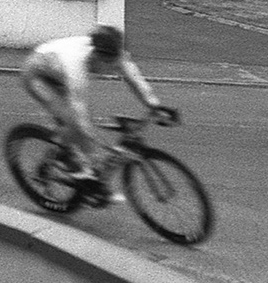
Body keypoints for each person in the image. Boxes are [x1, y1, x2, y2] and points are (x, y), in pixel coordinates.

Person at [20, 25, 177, 191]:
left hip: (58, 76)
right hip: (37, 74)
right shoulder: (76, 65)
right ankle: (65, 161)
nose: (112, 68)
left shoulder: (117, 55)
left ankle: (61, 153)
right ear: (95, 55)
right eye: (108, 63)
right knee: (72, 120)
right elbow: (79, 112)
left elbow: (134, 79)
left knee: (74, 128)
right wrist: (93, 146)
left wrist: (154, 105)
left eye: (116, 61)